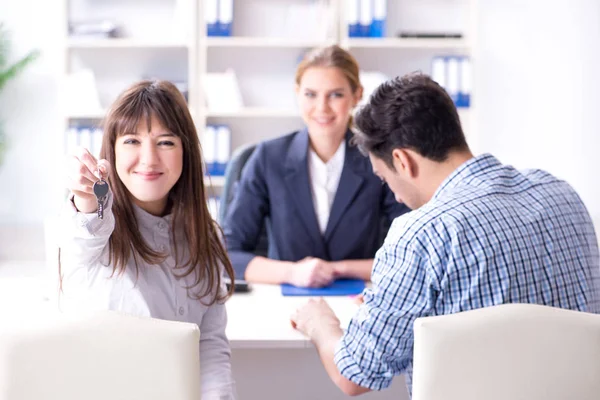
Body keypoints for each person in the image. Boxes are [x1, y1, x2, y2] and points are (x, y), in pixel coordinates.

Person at [290, 73, 600, 397]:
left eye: (384, 179)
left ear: (402, 160)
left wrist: (321, 323)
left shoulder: (421, 234)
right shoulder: (560, 192)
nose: (394, 196)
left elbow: (354, 375)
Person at [59, 80, 237, 399]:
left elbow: (209, 345)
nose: (149, 159)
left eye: (165, 142)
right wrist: (87, 198)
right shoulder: (97, 223)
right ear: (111, 151)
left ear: (186, 151)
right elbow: (85, 228)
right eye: (131, 141)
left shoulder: (206, 236)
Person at [223, 45, 409, 287]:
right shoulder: (268, 157)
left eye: (336, 95)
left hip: (360, 301)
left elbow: (410, 251)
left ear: (357, 95)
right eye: (311, 94)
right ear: (297, 93)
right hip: (282, 303)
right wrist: (292, 273)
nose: (322, 107)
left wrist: (336, 269)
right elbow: (227, 255)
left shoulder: (379, 160)